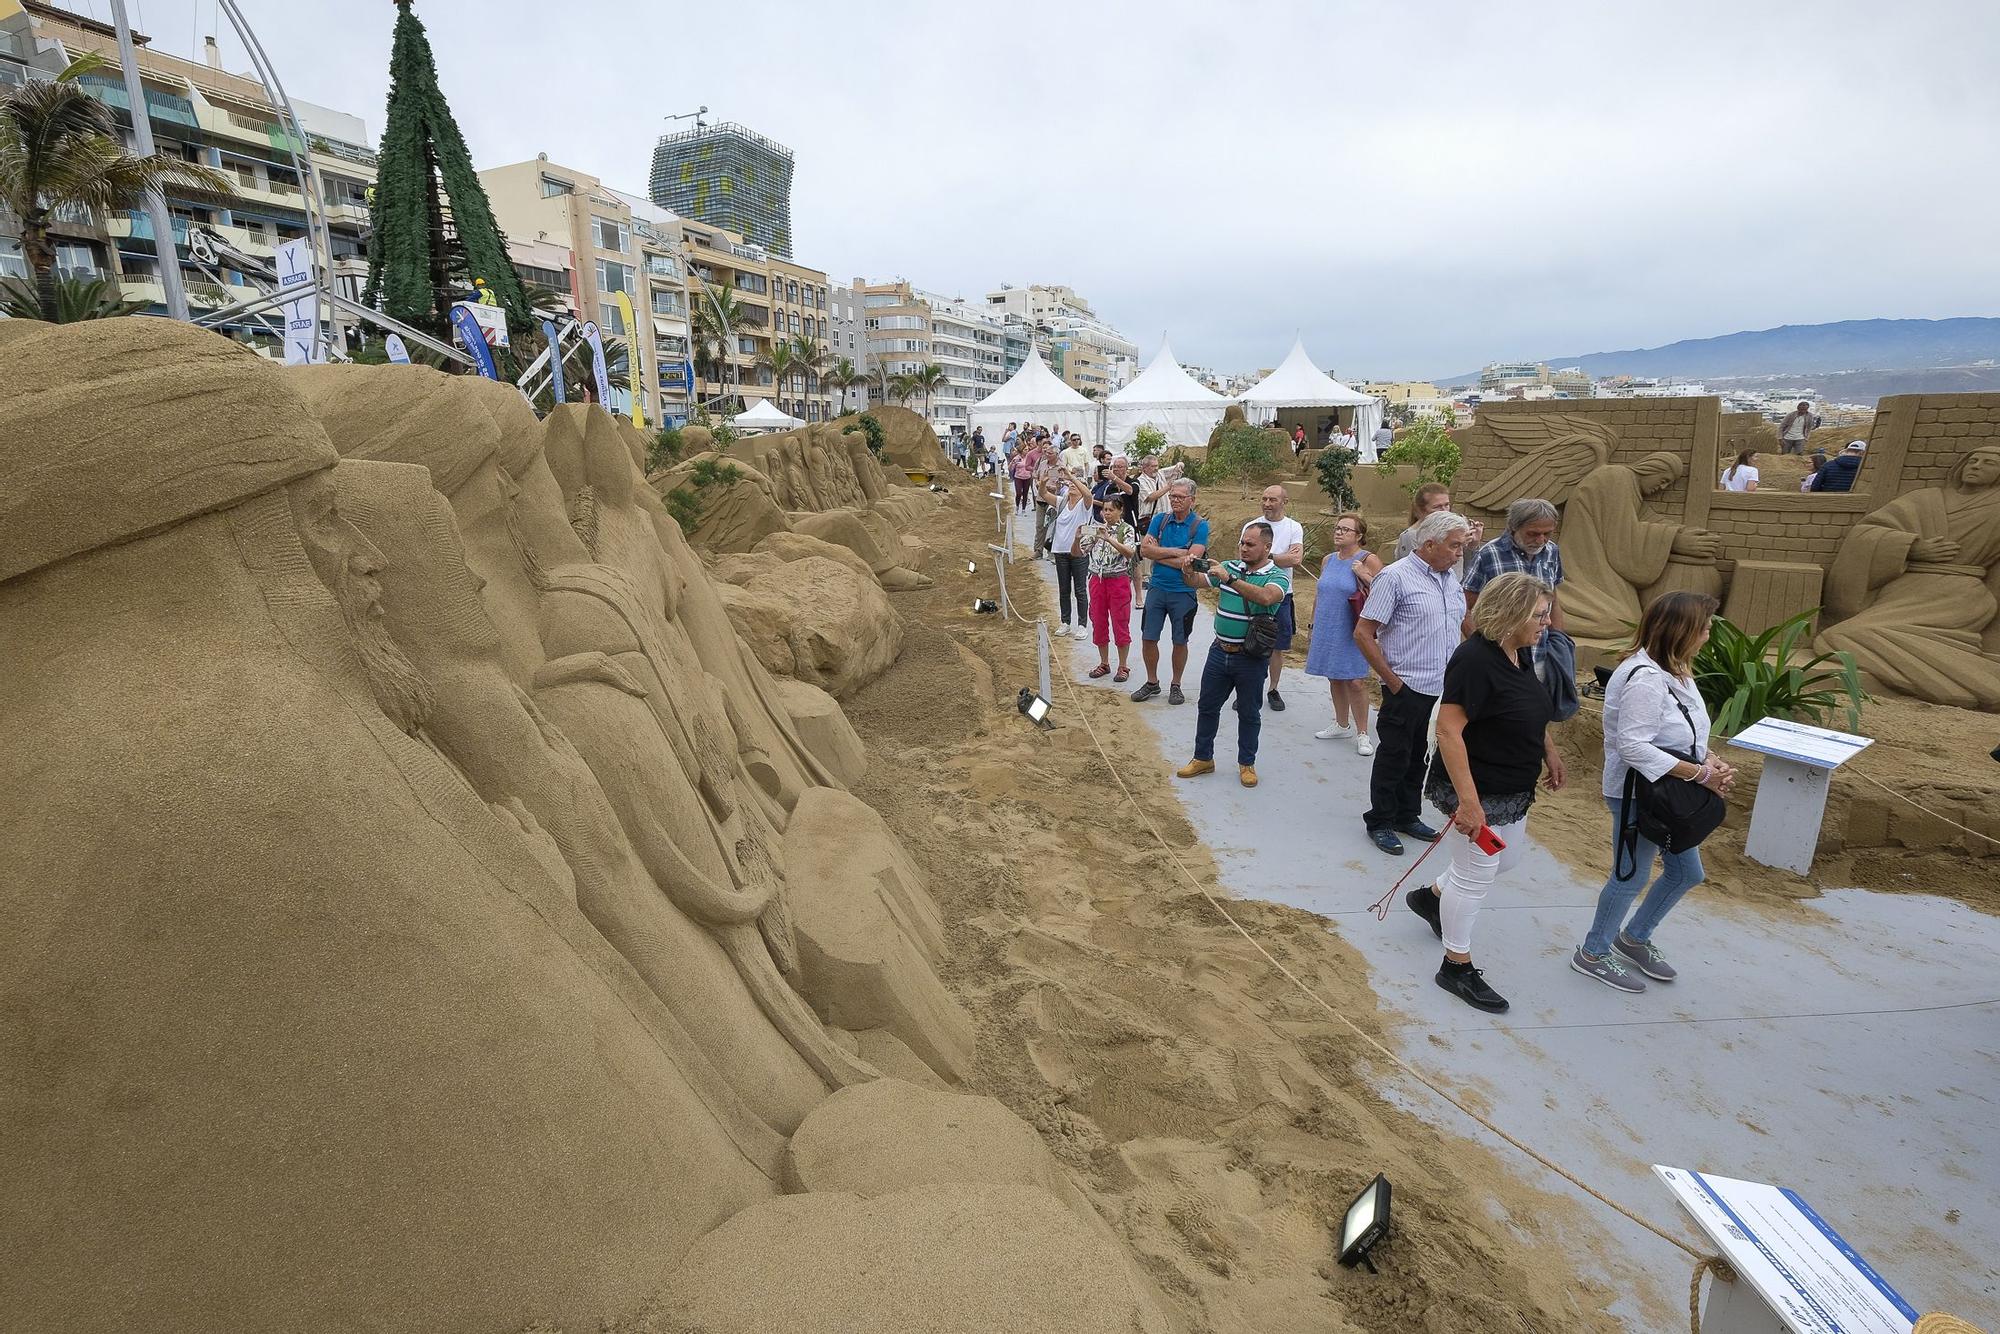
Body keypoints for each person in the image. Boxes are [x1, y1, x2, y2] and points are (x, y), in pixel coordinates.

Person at [1402, 572, 1565, 1013]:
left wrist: (1548, 750)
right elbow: (1449, 731)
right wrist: (1469, 803)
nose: (1546, 622)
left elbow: (1529, 706)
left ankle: (1431, 897)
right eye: (1538, 615)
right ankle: (1455, 965)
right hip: (1477, 788)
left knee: (1503, 861)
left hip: (1513, 784)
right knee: (1476, 876)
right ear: (1510, 615)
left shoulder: (1519, 650)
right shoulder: (1474, 659)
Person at [1571, 591, 1734, 994]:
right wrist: (1700, 775)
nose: (1708, 636)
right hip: (1639, 795)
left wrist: (1710, 759)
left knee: (1687, 872)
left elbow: (1686, 732)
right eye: (1704, 628)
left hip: (1666, 790)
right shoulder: (1644, 679)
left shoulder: (1677, 671)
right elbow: (1634, 746)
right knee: (1630, 875)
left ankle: (1634, 937)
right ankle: (1592, 953)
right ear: (1680, 631)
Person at [1355, 509, 1472, 856]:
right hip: (1406, 688)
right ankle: (1380, 821)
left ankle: (1408, 815)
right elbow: (1364, 633)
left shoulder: (1450, 580)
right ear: (1430, 543)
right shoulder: (1395, 578)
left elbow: (1464, 625)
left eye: (1461, 546)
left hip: (1442, 692)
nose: (1459, 553)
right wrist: (1392, 683)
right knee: (1395, 755)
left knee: (1422, 756)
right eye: (1454, 546)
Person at [1175, 520, 1287, 787]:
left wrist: (1231, 579)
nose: (1243, 549)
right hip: (1219, 650)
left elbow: (1266, 598)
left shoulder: (1277, 575)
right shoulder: (1228, 567)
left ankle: (1246, 763)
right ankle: (1203, 758)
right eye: (1241, 543)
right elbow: (1198, 583)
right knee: (1207, 706)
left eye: (1250, 544)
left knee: (1249, 712)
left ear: (1267, 547)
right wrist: (1187, 571)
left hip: (1249, 657)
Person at [1305, 511, 1383, 752]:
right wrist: (1313, 623)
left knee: (1356, 681)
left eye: (1345, 529)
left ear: (1359, 535)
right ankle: (1341, 723)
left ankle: (1362, 733)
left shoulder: (1368, 559)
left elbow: (1386, 590)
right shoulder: (1328, 559)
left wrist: (1364, 574)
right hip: (1328, 624)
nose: (1338, 532)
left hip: (1354, 627)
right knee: (1334, 675)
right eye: (1337, 528)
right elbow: (1321, 593)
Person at [1132, 478, 1209, 705]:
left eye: (1180, 497)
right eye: (1172, 496)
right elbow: (1145, 550)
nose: (1174, 500)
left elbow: (1192, 563)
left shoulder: (1200, 525)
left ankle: (1176, 684)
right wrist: (1178, 552)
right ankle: (1152, 681)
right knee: (1148, 637)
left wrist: (1160, 553)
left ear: (1192, 500)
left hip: (1183, 592)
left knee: (1180, 640)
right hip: (1157, 589)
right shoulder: (1160, 520)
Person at [1461, 498, 1565, 648]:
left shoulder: (1551, 551)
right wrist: (1483, 649)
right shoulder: (1489, 554)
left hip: (1541, 652)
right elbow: (1466, 607)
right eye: (1533, 534)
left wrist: (1559, 644)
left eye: (1547, 534)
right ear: (1513, 527)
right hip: (1501, 654)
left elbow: (1553, 601)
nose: (1541, 540)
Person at [1243, 485, 1305, 711]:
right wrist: (1280, 557)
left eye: (1272, 499)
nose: (1267, 503)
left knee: (1276, 646)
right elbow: (1245, 556)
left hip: (1281, 595)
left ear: (1284, 502)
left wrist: (1265, 555)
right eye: (1264, 499)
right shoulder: (1252, 526)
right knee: (1248, 641)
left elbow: (1296, 559)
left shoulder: (1293, 527)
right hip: (1252, 591)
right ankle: (1248, 687)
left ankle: (1273, 688)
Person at [1083, 492, 1138, 682]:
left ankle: (1123, 666)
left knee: (1120, 622)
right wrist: (1076, 538)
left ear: (1120, 511)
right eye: (1104, 510)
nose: (1106, 513)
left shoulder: (1127, 529)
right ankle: (1104, 662)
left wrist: (1109, 539)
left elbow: (1130, 552)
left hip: (1118, 580)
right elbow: (1078, 551)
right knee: (1098, 621)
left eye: (1110, 510)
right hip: (1097, 580)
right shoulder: (1096, 529)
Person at [1394, 483, 1483, 581]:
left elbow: (1469, 571)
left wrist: (1472, 545)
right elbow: (1413, 575)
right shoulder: (1410, 536)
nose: (1444, 511)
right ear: (1421, 510)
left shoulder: (1454, 530)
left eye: (1447, 505)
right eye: (1437, 507)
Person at [1132, 454, 1186, 608]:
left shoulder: (1160, 473)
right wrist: (1169, 487)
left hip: (1166, 519)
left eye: (1157, 466)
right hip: (1151, 520)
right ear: (1144, 467)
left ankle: (1164, 575)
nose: (1156, 469)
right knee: (1150, 550)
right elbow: (1151, 497)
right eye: (1153, 467)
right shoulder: (1141, 481)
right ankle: (1148, 580)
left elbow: (1174, 468)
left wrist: (1179, 465)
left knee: (1165, 548)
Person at [1046, 465, 1093, 636]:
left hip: (1078, 551)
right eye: (1072, 484)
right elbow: (1044, 494)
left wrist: (1072, 478)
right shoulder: (1063, 501)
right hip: (1060, 550)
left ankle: (1082, 624)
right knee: (1064, 588)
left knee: (1080, 589)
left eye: (1077, 485)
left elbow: (1088, 494)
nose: (1073, 486)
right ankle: (1065, 622)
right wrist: (1043, 482)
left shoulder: (1085, 504)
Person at [1009, 434, 1036, 511]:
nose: (1027, 451)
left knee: (1025, 493)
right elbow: (1011, 469)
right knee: (1018, 493)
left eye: (1028, 449)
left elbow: (1033, 466)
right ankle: (1017, 506)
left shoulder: (1029, 457)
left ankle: (1023, 508)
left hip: (1027, 477)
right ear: (1021, 450)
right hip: (1018, 477)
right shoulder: (1017, 458)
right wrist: (1012, 463)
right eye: (1025, 450)